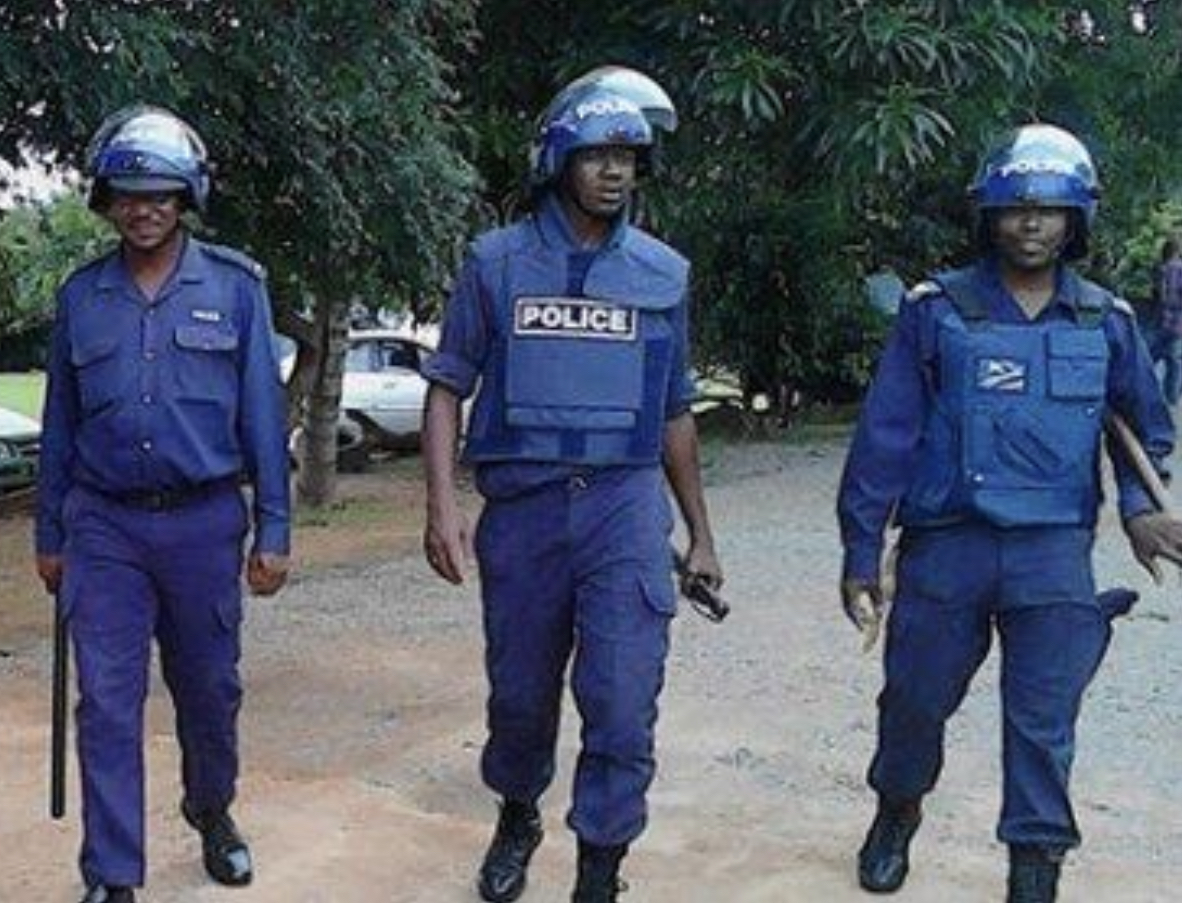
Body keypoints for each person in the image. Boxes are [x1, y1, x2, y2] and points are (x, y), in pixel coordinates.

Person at [836, 123, 1182, 903]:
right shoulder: (938, 311)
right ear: (988, 217)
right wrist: (862, 552)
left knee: (1042, 726)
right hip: (946, 549)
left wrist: (1136, 510)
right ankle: (897, 809)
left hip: (1052, 554)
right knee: (913, 704)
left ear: (1076, 220)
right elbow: (883, 439)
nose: (1032, 223)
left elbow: (1141, 432)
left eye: (1050, 209)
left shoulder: (1105, 320)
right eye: (1015, 208)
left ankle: (1035, 871)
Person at [420, 67, 722, 903]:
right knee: (520, 697)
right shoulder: (495, 262)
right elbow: (447, 384)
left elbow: (674, 411)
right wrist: (443, 507)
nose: (616, 171)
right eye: (598, 155)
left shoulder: (663, 273)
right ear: (560, 160)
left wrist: (700, 532)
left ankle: (600, 869)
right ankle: (518, 811)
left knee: (623, 698)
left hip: (624, 508)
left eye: (629, 156)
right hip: (522, 511)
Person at [34, 106, 291, 903]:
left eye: (161, 194)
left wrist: (274, 526)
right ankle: (113, 875)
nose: (143, 209)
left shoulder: (237, 288)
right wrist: (50, 531)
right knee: (105, 701)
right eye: (126, 194)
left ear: (187, 199)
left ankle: (212, 809)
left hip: (204, 523)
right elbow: (59, 425)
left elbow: (262, 414)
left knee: (209, 690)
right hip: (104, 524)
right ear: (106, 201)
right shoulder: (82, 296)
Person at [1150, 236, 1182, 404]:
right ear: (1177, 250)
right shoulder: (1179, 268)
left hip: (1160, 319)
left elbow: (1155, 294)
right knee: (1173, 361)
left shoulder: (1158, 268)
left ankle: (1146, 388)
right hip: (1176, 320)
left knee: (1155, 356)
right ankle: (1171, 397)